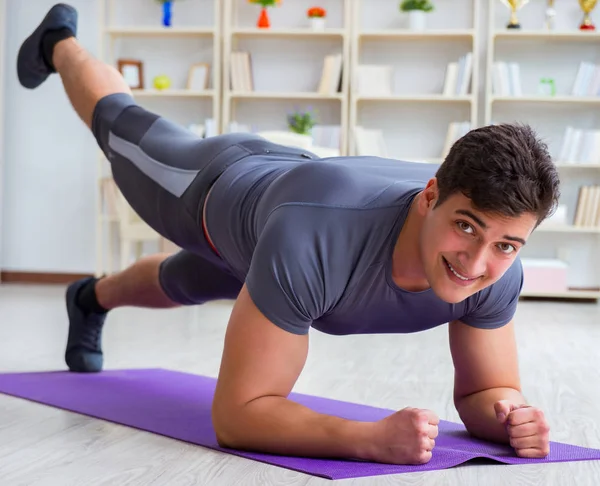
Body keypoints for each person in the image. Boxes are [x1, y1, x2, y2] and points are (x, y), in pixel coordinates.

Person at [17, 4, 557, 466]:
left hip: (281, 220)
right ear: (430, 195)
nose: (477, 261)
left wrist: (511, 416)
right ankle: (59, 42)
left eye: (506, 245)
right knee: (118, 121)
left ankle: (88, 298)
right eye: (466, 227)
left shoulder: (496, 269)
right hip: (214, 186)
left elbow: (485, 390)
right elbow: (238, 414)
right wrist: (368, 439)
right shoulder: (315, 241)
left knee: (180, 280)